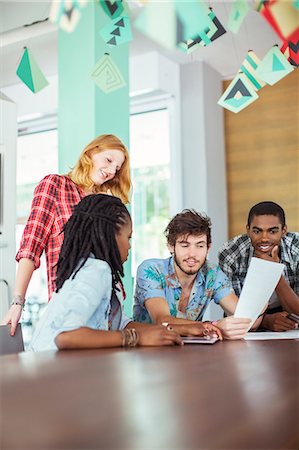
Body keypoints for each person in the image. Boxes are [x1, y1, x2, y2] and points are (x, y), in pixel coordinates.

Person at [30, 195, 220, 351]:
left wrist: (185, 328)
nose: (129, 245)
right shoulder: (95, 270)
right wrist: (135, 338)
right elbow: (65, 336)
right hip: (51, 373)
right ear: (110, 235)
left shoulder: (101, 272)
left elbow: (122, 324)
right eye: (128, 237)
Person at [3, 134, 131, 336]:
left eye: (117, 168)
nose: (111, 171)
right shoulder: (55, 186)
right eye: (108, 160)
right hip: (69, 305)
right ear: (90, 153)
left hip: (107, 308)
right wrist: (18, 301)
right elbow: (31, 245)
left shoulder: (105, 202)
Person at [133, 209, 262, 340]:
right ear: (171, 246)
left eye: (199, 246)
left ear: (208, 247)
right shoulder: (151, 270)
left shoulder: (212, 274)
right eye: (185, 246)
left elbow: (248, 319)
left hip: (191, 351)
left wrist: (265, 281)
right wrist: (212, 326)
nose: (192, 254)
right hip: (149, 350)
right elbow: (162, 321)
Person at [218, 201, 299, 332]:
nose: (264, 238)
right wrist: (266, 321)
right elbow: (238, 314)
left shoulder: (296, 249)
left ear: (284, 230)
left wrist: (273, 271)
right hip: (251, 326)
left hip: (291, 323)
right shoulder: (230, 253)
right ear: (248, 230)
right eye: (257, 231)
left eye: (272, 231)